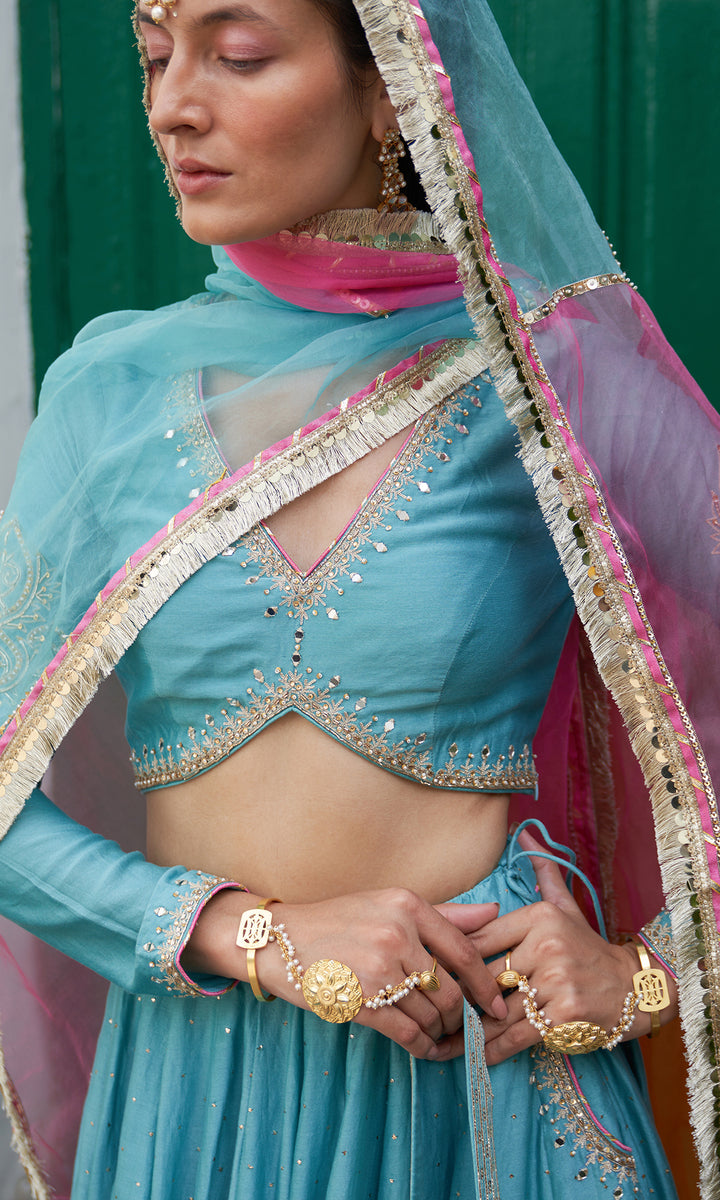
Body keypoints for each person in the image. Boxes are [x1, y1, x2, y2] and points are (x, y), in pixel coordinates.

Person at [0, 0, 718, 1197]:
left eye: (238, 55)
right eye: (154, 57)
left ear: (391, 86)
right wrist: (249, 934)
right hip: (198, 1083)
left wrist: (647, 973)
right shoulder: (109, 398)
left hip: (484, 1076)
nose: (173, 105)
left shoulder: (548, 381)